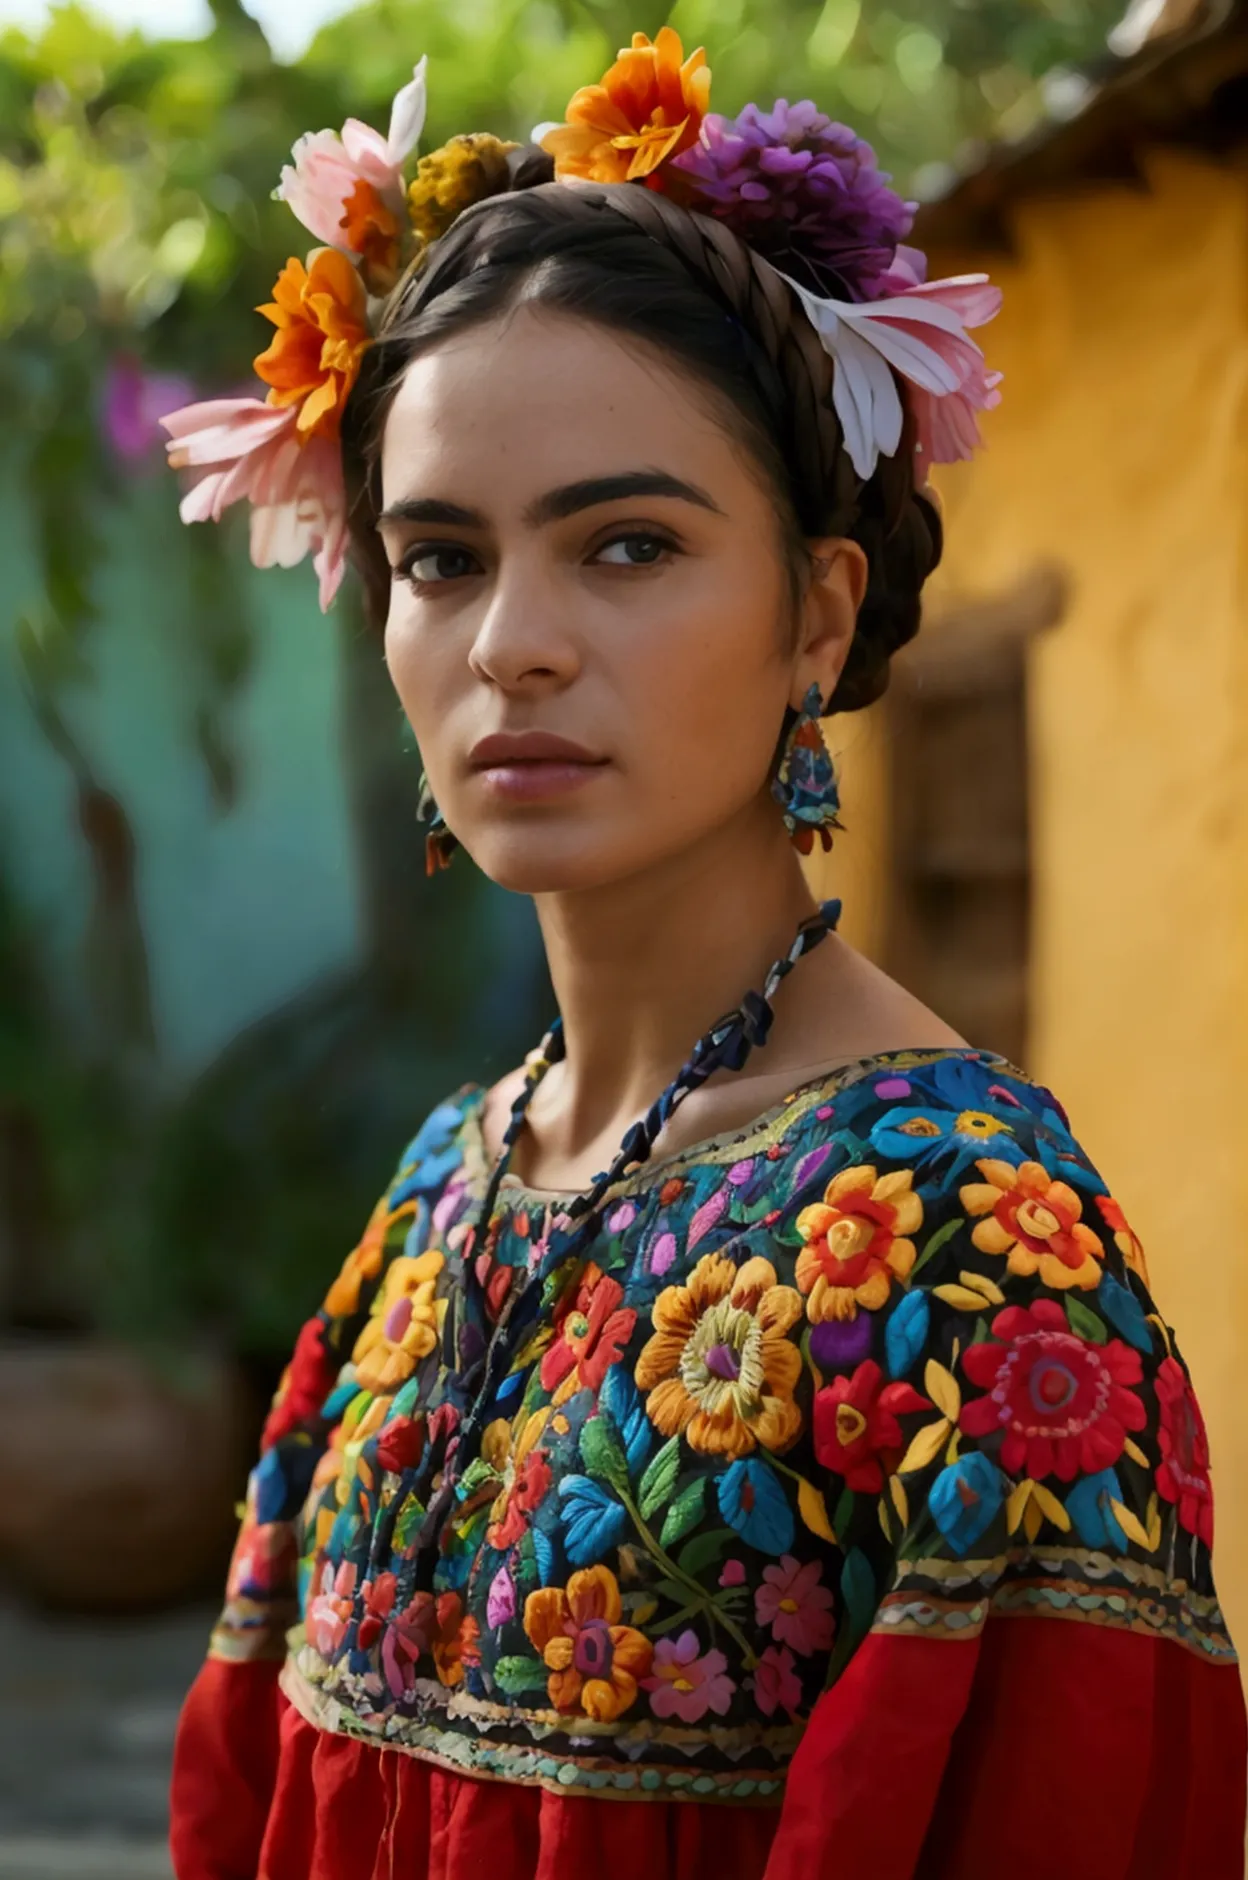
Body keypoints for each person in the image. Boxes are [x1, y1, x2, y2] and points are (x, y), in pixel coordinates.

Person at [160, 29, 1247, 1880]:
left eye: (631, 545)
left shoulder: (971, 1251)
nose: (512, 643)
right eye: (439, 558)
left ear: (817, 615)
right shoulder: (445, 1191)